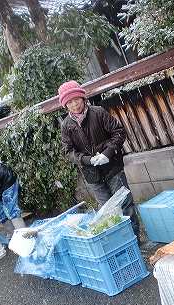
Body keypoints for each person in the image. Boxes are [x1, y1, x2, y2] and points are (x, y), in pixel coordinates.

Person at [58, 80, 140, 237]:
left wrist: (107, 153)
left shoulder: (98, 112)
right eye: (69, 102)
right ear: (65, 105)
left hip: (112, 167)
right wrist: (87, 160)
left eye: (76, 99)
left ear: (83, 98)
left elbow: (119, 132)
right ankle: (119, 240)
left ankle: (135, 238)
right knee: (106, 209)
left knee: (125, 204)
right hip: (91, 174)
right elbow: (68, 151)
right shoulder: (66, 125)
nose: (74, 104)